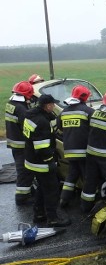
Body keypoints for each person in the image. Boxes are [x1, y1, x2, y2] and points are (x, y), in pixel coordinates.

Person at [23, 94, 71, 226]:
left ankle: (39, 214)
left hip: (31, 159)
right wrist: (51, 161)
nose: (54, 106)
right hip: (42, 163)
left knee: (42, 187)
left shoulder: (31, 116)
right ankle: (53, 218)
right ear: (47, 105)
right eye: (53, 104)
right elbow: (42, 147)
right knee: (52, 189)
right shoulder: (42, 122)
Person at [56, 85, 94, 208]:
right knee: (87, 178)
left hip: (69, 150)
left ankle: (64, 199)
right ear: (84, 97)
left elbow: (60, 127)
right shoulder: (88, 111)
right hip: (84, 151)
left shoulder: (64, 111)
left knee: (72, 175)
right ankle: (86, 204)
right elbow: (94, 130)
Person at [5, 81, 36, 205]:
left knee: (22, 170)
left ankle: (28, 191)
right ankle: (22, 197)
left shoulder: (10, 103)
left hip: (14, 142)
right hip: (22, 144)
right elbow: (28, 126)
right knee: (24, 171)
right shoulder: (21, 108)